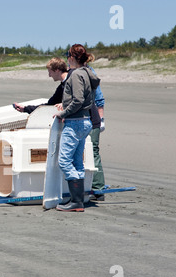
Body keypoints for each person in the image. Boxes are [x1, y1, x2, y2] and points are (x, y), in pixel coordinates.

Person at [53, 44, 100, 212]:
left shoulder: (76, 75)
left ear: (72, 58)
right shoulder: (88, 73)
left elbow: (78, 100)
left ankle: (76, 201)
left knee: (64, 161)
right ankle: (78, 201)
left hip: (75, 122)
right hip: (85, 121)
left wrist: (63, 113)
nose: (66, 59)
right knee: (77, 161)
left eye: (67, 56)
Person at [85, 55, 106, 200]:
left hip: (93, 119)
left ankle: (98, 188)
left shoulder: (89, 73)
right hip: (85, 118)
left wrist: (101, 119)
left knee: (93, 151)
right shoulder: (76, 72)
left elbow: (99, 98)